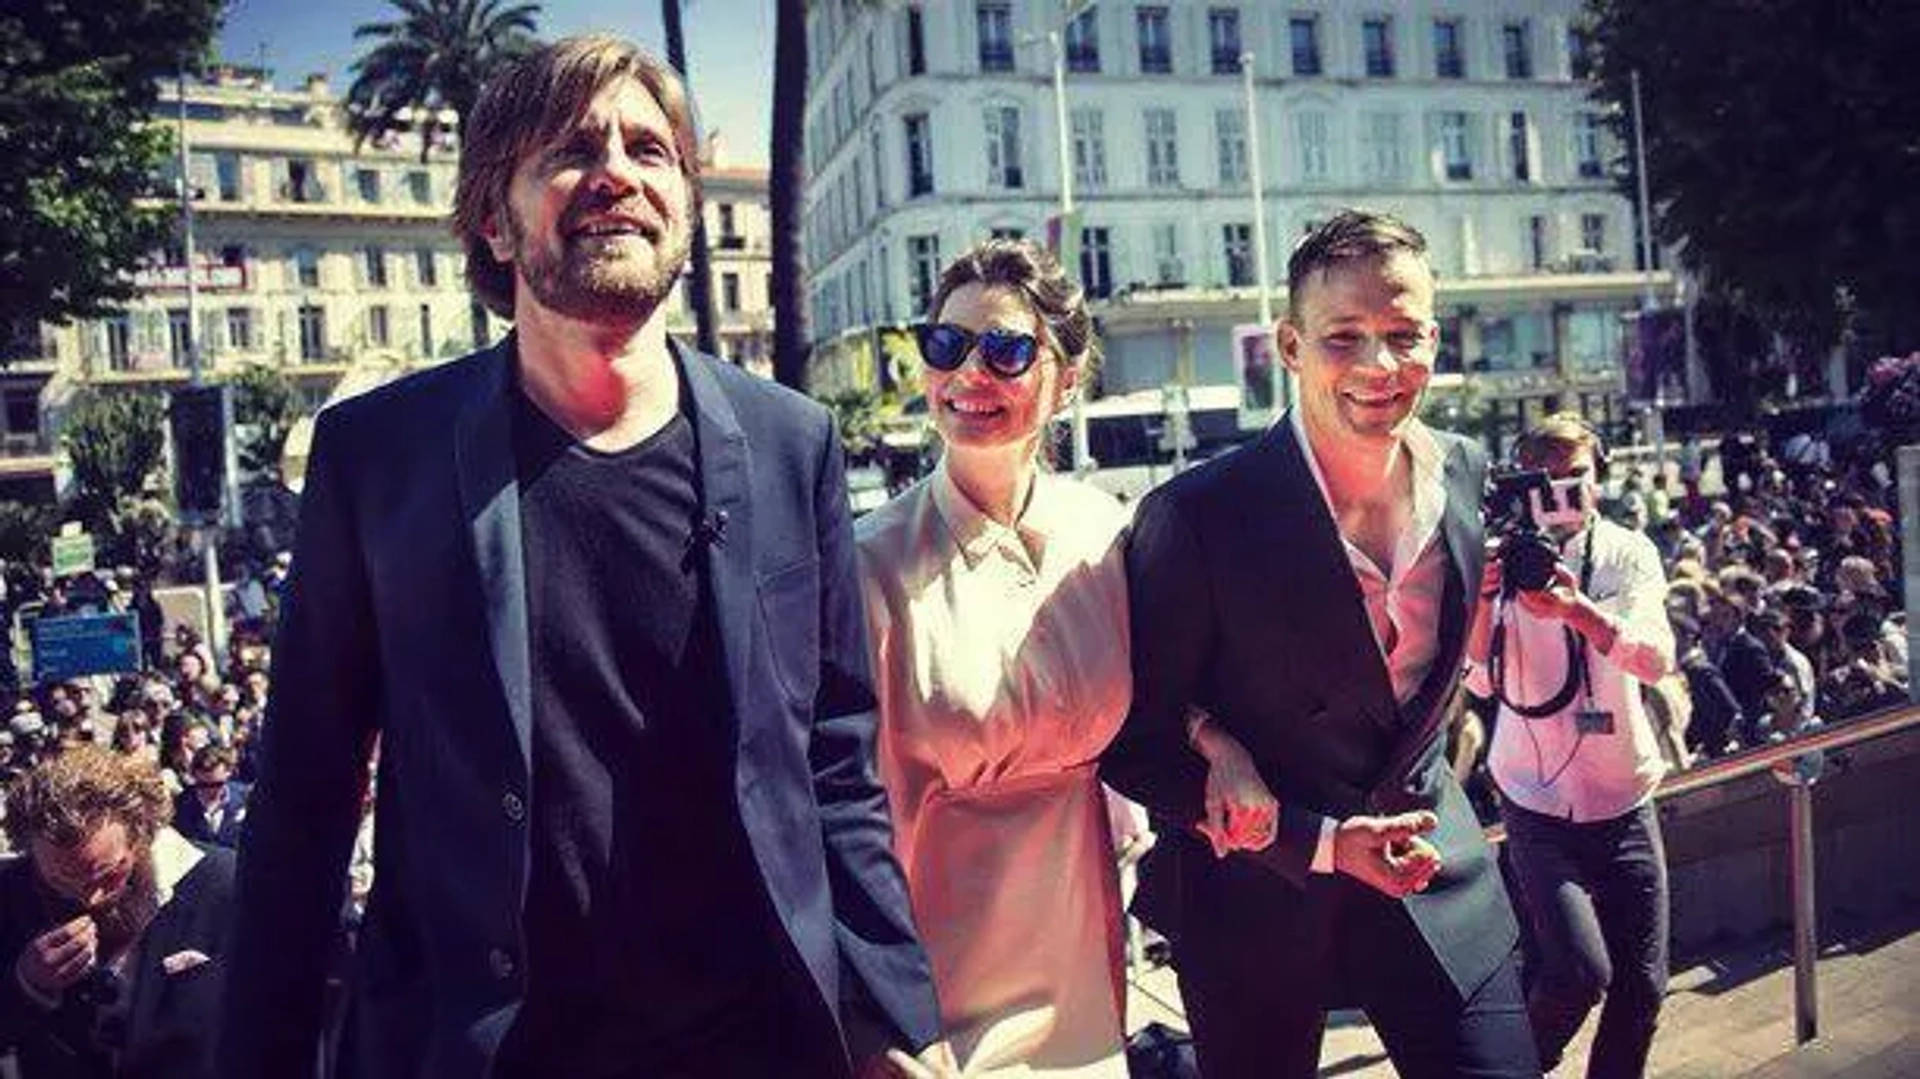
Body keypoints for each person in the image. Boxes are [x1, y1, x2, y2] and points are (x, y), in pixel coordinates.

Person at [219, 36, 945, 1079]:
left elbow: (832, 760)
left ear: (683, 200)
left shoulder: (793, 440)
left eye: (649, 149)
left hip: (755, 1045)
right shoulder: (378, 458)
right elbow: (304, 791)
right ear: (493, 219)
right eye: (569, 148)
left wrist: (892, 1018)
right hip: (488, 1050)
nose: (617, 170)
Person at [1103, 209, 1539, 1078]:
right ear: (1291, 346)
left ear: (1434, 338)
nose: (1380, 366)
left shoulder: (1466, 470)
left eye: (1403, 335)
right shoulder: (1198, 514)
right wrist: (1215, 742)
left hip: (1433, 877)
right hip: (1258, 895)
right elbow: (1133, 737)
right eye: (1345, 337)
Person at [855, 240, 1272, 1075]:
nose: (970, 372)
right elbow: (838, 811)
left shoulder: (1107, 533)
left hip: (1085, 965)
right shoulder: (865, 560)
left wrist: (1218, 746)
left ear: (1067, 379)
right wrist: (872, 1025)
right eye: (946, 345)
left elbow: (1159, 689)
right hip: (930, 994)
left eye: (1006, 350)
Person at [1464, 414, 1678, 1078]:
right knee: (1578, 973)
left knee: (1642, 987)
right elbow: (1477, 676)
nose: (1561, 495)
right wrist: (1482, 599)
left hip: (1624, 796)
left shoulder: (1627, 550)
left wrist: (1579, 611)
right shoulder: (1495, 562)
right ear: (1524, 487)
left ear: (1601, 473)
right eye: (1546, 482)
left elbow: (1657, 658)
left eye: (1575, 478)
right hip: (1536, 801)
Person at [0, 746, 236, 1079]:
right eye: (60, 880)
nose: (91, 898)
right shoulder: (11, 890)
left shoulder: (225, 886)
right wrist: (28, 983)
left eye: (110, 874)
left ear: (142, 832)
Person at [169, 745, 248, 849]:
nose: (210, 790)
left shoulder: (245, 798)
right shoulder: (179, 806)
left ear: (228, 772)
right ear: (194, 776)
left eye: (217, 784)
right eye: (203, 785)